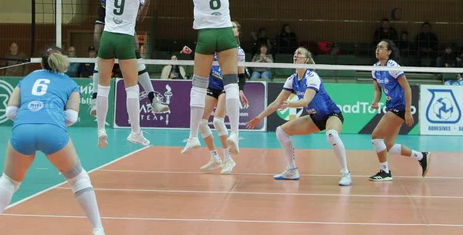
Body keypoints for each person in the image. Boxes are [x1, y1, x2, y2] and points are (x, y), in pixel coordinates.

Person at [0, 47, 104, 235]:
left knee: (9, 180)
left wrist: (30, 116)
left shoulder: (26, 79)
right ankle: (98, 229)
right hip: (53, 131)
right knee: (78, 178)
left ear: (42, 63)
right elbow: (72, 117)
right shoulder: (69, 83)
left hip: (23, 129)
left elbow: (10, 112)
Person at [158, 0, 242, 155]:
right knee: (232, 84)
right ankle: (234, 132)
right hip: (226, 34)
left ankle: (193, 136)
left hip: (206, 36)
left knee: (198, 86)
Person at [246, 47, 352, 186]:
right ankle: (291, 170)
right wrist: (259, 117)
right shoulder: (292, 80)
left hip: (331, 114)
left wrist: (289, 104)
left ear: (306, 59)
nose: (295, 56)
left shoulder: (312, 77)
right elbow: (276, 102)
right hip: (315, 118)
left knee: (331, 134)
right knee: (281, 131)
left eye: (299, 54)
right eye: (294, 54)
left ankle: (345, 173)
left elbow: (305, 101)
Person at [90, 0, 168, 117]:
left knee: (115, 60)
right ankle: (152, 100)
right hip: (108, 20)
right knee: (107, 59)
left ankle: (96, 100)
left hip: (117, 25)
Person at [95, 0, 152, 149]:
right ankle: (135, 132)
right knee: (131, 88)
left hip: (107, 37)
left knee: (103, 87)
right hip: (125, 40)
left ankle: (100, 129)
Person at [182, 21, 249, 174]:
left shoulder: (238, 51)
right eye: (229, 26)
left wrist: (240, 90)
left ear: (237, 33)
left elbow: (241, 74)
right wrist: (191, 53)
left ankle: (228, 159)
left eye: (233, 27)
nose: (230, 28)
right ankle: (214, 157)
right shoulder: (215, 45)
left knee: (218, 121)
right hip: (212, 86)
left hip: (227, 87)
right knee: (201, 122)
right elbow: (204, 61)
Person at [369, 40, 431, 181]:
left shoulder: (393, 67)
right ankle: (422, 156)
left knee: (376, 136)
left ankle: (384, 171)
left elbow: (407, 88)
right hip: (391, 106)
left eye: (381, 47)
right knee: (389, 146)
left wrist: (408, 111)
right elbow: (377, 89)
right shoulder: (375, 68)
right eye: (377, 47)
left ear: (389, 52)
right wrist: (375, 101)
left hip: (400, 107)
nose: (377, 50)